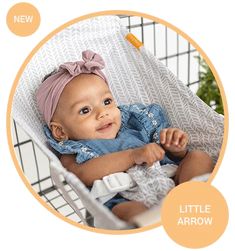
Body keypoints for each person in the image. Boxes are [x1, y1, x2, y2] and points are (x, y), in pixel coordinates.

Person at [36, 50, 213, 223]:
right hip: (123, 197)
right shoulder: (73, 149)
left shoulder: (136, 126)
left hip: (169, 179)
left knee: (198, 157)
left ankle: (189, 200)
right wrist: (132, 156)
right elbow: (81, 175)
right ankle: (156, 224)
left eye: (106, 102)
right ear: (60, 131)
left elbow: (169, 155)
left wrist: (176, 148)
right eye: (85, 110)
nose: (102, 113)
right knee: (131, 213)